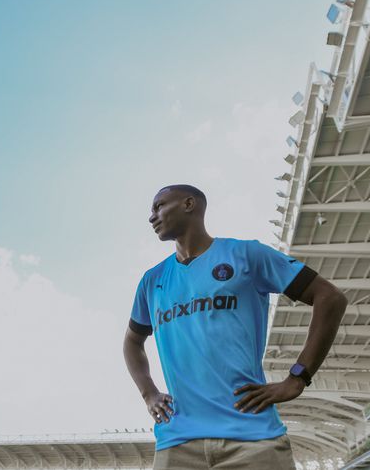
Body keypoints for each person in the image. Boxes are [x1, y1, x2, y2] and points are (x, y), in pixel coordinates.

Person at [123, 185, 347, 469]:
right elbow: (132, 342)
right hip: (177, 443)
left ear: (189, 204)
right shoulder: (152, 280)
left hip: (254, 439)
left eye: (159, 206)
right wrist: (149, 394)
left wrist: (298, 377)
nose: (152, 217)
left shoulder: (246, 255)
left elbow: (330, 298)